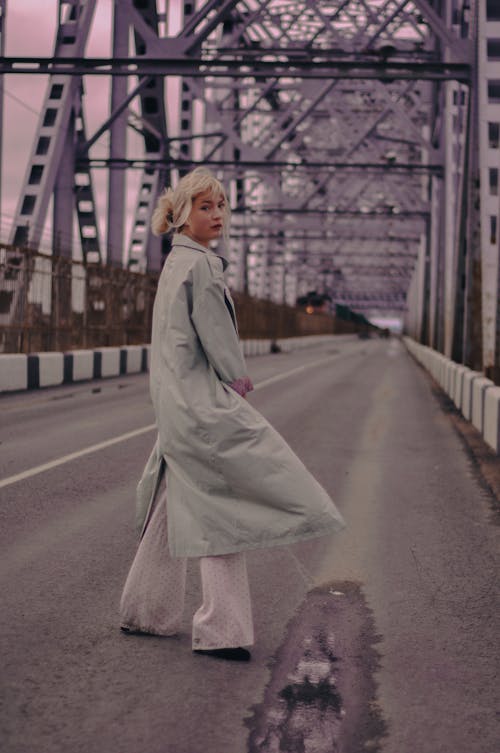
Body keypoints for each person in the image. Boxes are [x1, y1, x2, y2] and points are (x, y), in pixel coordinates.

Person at [119, 167, 345, 662]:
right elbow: (219, 341)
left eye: (221, 206)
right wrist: (238, 384)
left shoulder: (176, 263)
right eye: (206, 207)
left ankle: (145, 610)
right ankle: (222, 629)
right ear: (182, 214)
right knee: (222, 510)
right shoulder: (202, 266)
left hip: (175, 402)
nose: (218, 215)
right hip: (199, 404)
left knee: (175, 502)